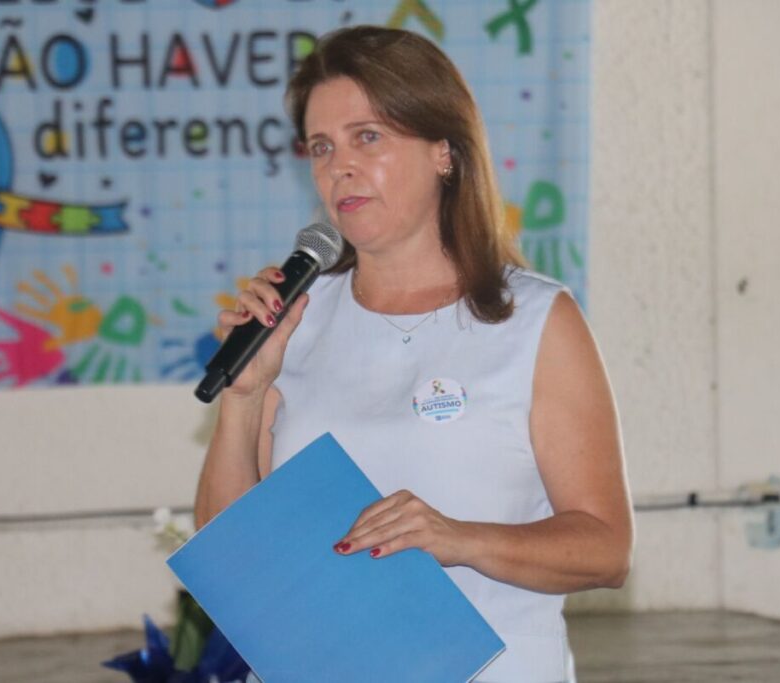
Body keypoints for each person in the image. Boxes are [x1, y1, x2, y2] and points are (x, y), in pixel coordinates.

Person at [193, 25, 633, 683]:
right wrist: (245, 396)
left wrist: (459, 538)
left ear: (444, 152)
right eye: (322, 146)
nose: (340, 166)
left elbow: (606, 548)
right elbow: (232, 558)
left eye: (368, 137)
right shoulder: (294, 321)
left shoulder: (537, 320)